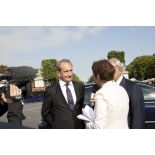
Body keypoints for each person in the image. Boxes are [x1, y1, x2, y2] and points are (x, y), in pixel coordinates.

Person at [41, 59, 85, 129]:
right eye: (66, 71)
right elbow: (45, 113)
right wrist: (56, 125)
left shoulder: (80, 86)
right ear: (58, 73)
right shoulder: (51, 90)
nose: (70, 74)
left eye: (71, 70)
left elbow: (83, 106)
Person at [86, 59, 129, 129]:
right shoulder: (122, 89)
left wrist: (88, 124)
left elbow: (98, 127)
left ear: (98, 76)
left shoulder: (101, 93)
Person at [109, 58, 145, 129]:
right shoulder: (106, 87)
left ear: (120, 70)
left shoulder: (133, 87)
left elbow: (138, 116)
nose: (108, 71)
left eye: (111, 68)